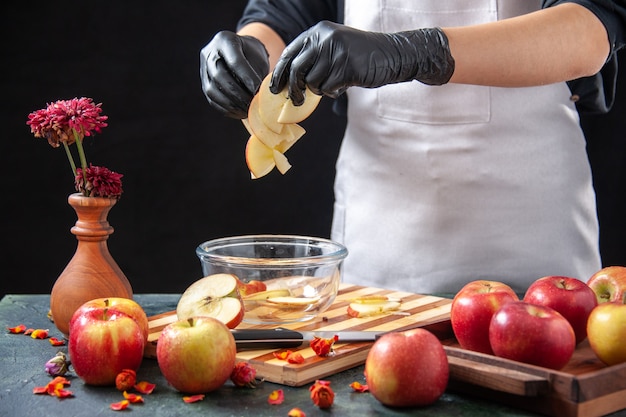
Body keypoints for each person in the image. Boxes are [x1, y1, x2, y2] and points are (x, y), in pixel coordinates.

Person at [200, 0, 626, 295]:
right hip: (380, 243)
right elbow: (284, 15)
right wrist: (250, 56)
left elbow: (591, 28)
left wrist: (419, 53)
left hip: (531, 243)